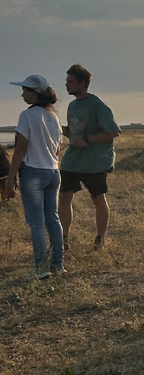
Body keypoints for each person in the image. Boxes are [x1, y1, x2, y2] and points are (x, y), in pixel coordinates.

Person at [3, 74, 65, 278]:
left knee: (36, 222)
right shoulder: (53, 117)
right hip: (53, 172)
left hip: (33, 173)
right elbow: (56, 148)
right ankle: (58, 264)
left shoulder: (27, 116)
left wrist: (10, 180)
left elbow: (20, 150)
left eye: (25, 90)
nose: (22, 94)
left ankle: (41, 267)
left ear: (34, 93)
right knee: (53, 219)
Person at [58, 64, 120, 250]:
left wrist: (88, 139)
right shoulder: (72, 105)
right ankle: (64, 239)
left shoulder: (97, 105)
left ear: (82, 84)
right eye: (66, 81)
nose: (66, 85)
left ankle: (100, 240)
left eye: (70, 81)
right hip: (72, 161)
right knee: (63, 197)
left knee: (97, 198)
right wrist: (56, 127)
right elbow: (74, 133)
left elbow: (113, 131)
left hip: (94, 163)